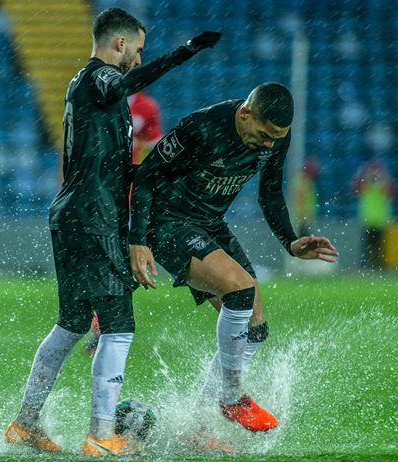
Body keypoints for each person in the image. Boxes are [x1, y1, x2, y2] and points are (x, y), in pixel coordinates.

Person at [3, 7, 221, 457]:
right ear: (119, 43)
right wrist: (182, 53)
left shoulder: (98, 90)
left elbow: (116, 165)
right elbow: (123, 84)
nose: (140, 59)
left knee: (72, 323)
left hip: (80, 214)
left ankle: (25, 424)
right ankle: (101, 436)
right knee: (118, 326)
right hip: (91, 217)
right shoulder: (96, 78)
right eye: (138, 50)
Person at [129, 83, 339, 434]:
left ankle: (197, 426)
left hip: (209, 223)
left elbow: (270, 192)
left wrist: (290, 242)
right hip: (166, 222)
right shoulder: (201, 126)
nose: (271, 144)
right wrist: (137, 240)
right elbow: (146, 177)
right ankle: (231, 398)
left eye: (278, 137)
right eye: (266, 134)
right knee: (240, 291)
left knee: (255, 328)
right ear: (245, 114)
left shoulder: (275, 137)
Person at [84, 90, 165, 354]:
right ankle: (100, 320)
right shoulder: (96, 97)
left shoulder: (145, 106)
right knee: (99, 256)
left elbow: (156, 152)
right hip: (96, 192)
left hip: (128, 196)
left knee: (119, 256)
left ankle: (103, 322)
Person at [352, 158, 395, 270]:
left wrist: (382, 180)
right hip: (368, 220)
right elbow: (356, 189)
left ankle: (379, 267)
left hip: (380, 221)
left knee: (379, 247)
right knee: (367, 246)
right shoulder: (366, 185)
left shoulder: (382, 185)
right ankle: (366, 267)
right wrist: (365, 176)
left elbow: (391, 193)